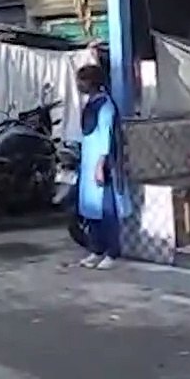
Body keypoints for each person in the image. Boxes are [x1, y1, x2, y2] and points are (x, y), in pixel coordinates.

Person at [75, 63, 131, 270]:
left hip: (102, 162)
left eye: (82, 81)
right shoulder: (90, 103)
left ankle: (112, 252)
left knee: (107, 210)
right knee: (91, 209)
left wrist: (100, 164)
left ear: (92, 82)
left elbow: (106, 136)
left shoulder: (106, 105)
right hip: (88, 159)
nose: (79, 85)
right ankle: (96, 249)